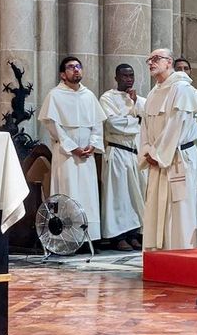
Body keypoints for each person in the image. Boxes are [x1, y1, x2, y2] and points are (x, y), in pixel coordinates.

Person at [140, 49, 197, 250]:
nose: (151, 63)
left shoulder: (182, 89)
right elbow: (145, 128)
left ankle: (181, 252)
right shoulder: (153, 92)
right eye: (149, 59)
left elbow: (176, 125)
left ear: (169, 62)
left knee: (179, 210)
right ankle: (157, 253)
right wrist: (147, 151)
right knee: (156, 207)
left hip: (177, 159)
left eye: (156, 59)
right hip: (157, 160)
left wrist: (158, 154)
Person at [38, 57, 107, 243]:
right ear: (63, 74)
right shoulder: (55, 95)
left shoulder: (89, 95)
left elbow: (97, 124)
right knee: (68, 192)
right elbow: (53, 126)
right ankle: (69, 239)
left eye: (78, 66)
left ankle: (89, 237)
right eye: (71, 67)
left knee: (88, 195)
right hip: (66, 154)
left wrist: (93, 144)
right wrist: (73, 147)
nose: (76, 70)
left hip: (86, 154)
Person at [99, 64, 147, 251]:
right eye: (125, 76)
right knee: (119, 197)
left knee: (135, 196)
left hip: (134, 153)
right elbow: (112, 124)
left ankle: (133, 234)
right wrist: (136, 120)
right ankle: (117, 237)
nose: (129, 79)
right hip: (117, 152)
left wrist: (134, 105)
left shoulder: (138, 99)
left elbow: (147, 121)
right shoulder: (107, 98)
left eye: (131, 75)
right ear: (116, 78)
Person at [173, 58, 197, 185]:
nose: (183, 72)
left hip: (192, 147)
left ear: (190, 71)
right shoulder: (168, 95)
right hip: (172, 150)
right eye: (178, 69)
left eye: (186, 69)